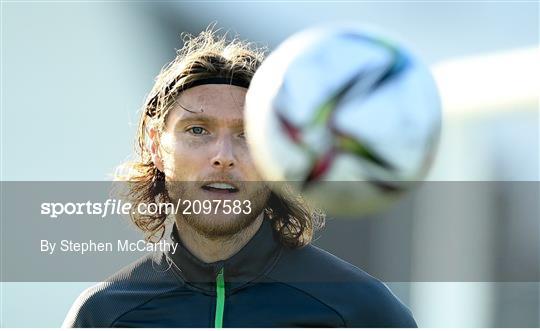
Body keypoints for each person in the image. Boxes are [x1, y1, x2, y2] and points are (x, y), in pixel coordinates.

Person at [63, 28, 417, 328]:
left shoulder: (360, 312)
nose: (222, 156)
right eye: (198, 130)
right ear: (157, 147)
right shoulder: (103, 315)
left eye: (247, 134)